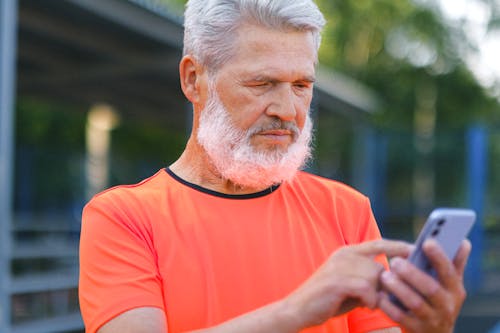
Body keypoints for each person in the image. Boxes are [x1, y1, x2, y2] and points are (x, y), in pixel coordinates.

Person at [78, 1, 471, 332]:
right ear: (193, 79)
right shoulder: (122, 218)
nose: (287, 111)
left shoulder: (346, 211)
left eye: (301, 86)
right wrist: (299, 310)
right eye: (262, 84)